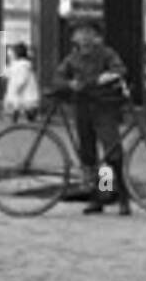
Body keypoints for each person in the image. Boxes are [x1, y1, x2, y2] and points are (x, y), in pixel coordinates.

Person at [54, 20, 131, 216]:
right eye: (81, 33)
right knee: (89, 154)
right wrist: (69, 84)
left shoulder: (106, 54)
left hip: (104, 107)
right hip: (83, 107)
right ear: (74, 38)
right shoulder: (72, 59)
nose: (85, 38)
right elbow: (58, 78)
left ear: (96, 37)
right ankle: (100, 196)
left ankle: (122, 197)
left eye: (89, 33)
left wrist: (108, 76)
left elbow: (120, 69)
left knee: (111, 152)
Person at [1, 41, 40, 123]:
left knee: (22, 105)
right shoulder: (15, 64)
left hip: (22, 91)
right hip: (17, 91)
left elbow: (22, 78)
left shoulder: (23, 65)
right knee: (17, 105)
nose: (10, 55)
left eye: (12, 53)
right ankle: (18, 117)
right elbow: (6, 73)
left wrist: (17, 87)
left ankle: (26, 117)